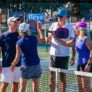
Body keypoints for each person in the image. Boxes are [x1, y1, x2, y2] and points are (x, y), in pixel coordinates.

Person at [52, 21, 92, 92]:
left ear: (80, 29)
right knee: (80, 87)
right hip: (79, 65)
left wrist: (88, 64)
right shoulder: (76, 39)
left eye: (76, 28)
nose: (75, 30)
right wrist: (56, 38)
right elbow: (66, 43)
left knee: (85, 87)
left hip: (86, 64)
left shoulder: (86, 39)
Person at [10, 22, 44, 92]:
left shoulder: (19, 42)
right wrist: (39, 30)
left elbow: (17, 58)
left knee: (22, 87)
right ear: (27, 30)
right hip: (36, 65)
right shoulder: (34, 38)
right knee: (36, 86)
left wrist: (13, 64)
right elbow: (42, 40)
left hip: (25, 66)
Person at [47, 8, 75, 92]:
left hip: (64, 56)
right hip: (53, 55)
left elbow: (72, 43)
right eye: (58, 16)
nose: (58, 17)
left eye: (60, 16)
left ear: (65, 16)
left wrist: (73, 57)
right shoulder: (53, 25)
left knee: (63, 77)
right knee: (51, 78)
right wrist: (47, 39)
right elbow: (48, 39)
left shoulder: (70, 27)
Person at [0, 16, 21, 92]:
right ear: (9, 24)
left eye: (17, 22)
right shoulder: (2, 36)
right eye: (14, 22)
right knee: (5, 84)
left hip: (18, 64)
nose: (16, 23)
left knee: (15, 83)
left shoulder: (20, 35)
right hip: (6, 64)